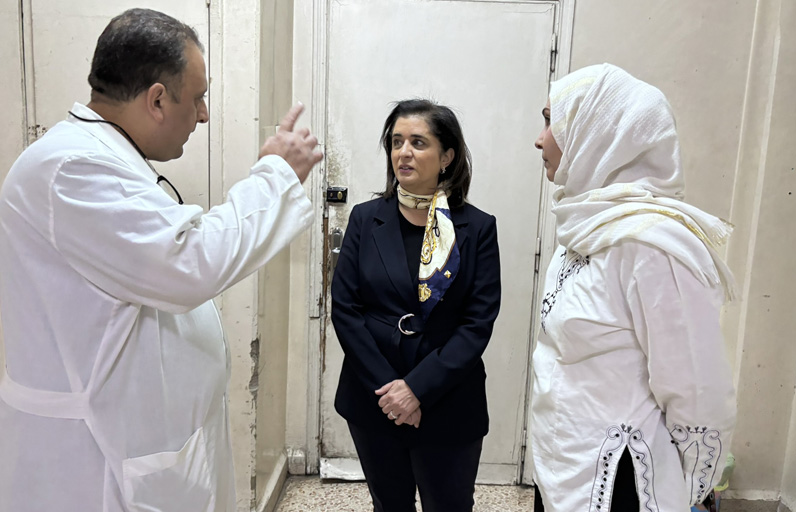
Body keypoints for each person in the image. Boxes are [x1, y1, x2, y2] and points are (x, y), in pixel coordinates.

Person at [0, 8, 321, 512]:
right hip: (89, 463)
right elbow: (188, 262)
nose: (204, 114)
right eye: (197, 98)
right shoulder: (71, 169)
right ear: (156, 99)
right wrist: (276, 175)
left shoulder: (100, 156)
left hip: (131, 439)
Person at [529, 63, 737, 511]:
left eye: (552, 120)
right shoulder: (581, 226)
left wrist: (696, 484)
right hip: (562, 465)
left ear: (597, 132)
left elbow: (697, 390)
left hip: (618, 479)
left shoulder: (650, 245)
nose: (540, 138)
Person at [331, 99, 501, 511]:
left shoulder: (477, 228)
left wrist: (417, 389)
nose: (404, 152)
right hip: (375, 396)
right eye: (396, 142)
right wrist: (392, 391)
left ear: (446, 156)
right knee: (389, 504)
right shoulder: (365, 219)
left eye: (418, 142)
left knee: (450, 504)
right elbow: (345, 309)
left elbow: (477, 323)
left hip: (448, 398)